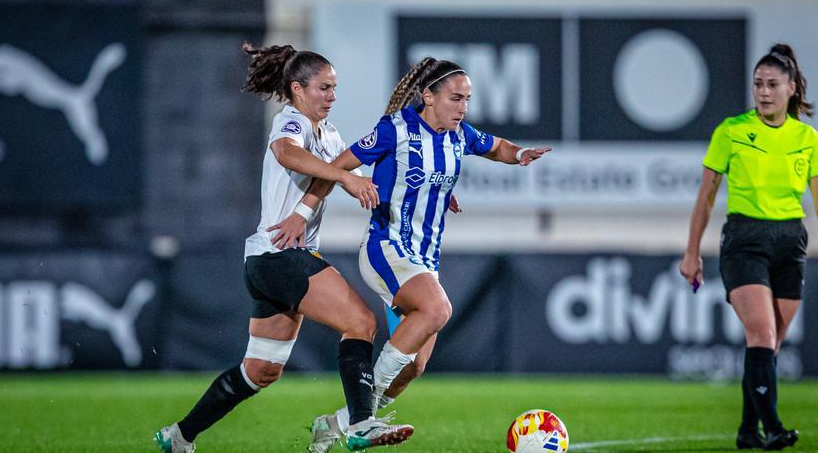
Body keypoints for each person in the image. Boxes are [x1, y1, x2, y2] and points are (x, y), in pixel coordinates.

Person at [266, 56, 551, 452]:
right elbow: (337, 168)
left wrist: (519, 155)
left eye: (467, 99)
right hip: (386, 247)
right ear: (428, 96)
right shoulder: (395, 130)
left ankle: (336, 423)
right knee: (437, 309)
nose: (463, 108)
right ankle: (364, 422)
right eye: (455, 98)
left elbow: (497, 147)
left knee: (414, 365)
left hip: (424, 259)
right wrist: (301, 213)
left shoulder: (459, 135)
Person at [153, 42, 413, 452]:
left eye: (335, 88)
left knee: (260, 371)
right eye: (324, 88)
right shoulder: (291, 120)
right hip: (280, 254)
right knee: (360, 322)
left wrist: (422, 188)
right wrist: (343, 177)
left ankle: (179, 436)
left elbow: (357, 178)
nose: (332, 96)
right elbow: (286, 153)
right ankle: (361, 423)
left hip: (268, 261)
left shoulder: (330, 135)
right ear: (297, 89)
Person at [680, 43, 818, 450]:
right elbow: (705, 197)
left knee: (769, 345)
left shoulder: (807, 138)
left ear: (792, 88)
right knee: (761, 331)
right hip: (745, 240)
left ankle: (746, 431)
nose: (764, 92)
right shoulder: (732, 131)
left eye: (773, 84)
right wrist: (692, 251)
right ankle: (773, 428)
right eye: (758, 84)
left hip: (790, 242)